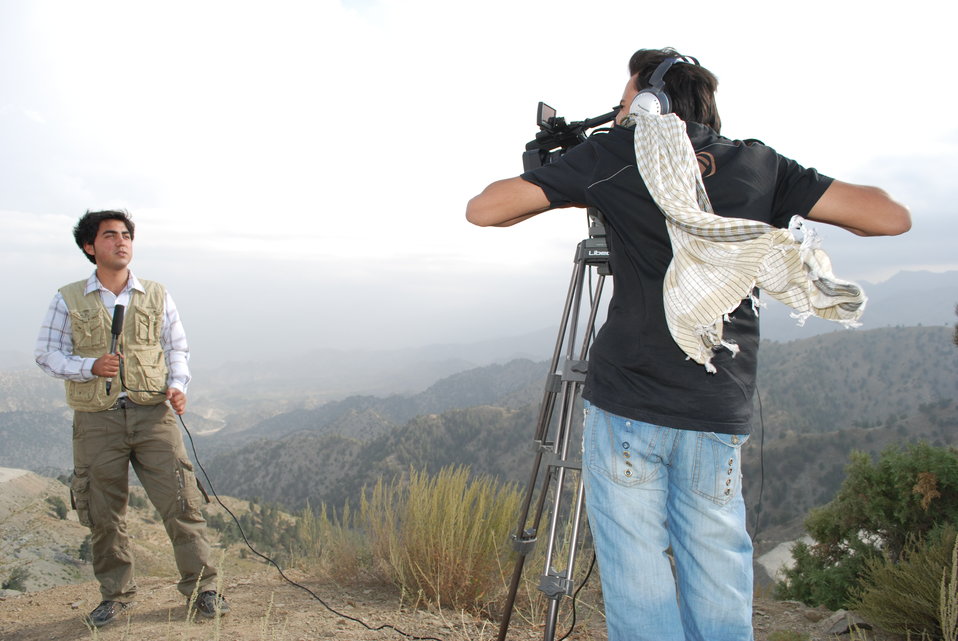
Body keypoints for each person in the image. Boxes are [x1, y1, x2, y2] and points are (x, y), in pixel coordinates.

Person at [466, 48, 910, 641]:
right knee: (719, 569)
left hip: (627, 401)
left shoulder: (615, 156)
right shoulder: (760, 165)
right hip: (716, 406)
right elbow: (891, 217)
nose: (619, 115)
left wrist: (581, 173)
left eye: (625, 104)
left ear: (649, 102)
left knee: (637, 574)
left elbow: (484, 209)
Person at [35, 210, 229, 628]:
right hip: (97, 419)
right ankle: (117, 597)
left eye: (126, 235)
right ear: (90, 247)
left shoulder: (156, 294)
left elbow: (177, 348)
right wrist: (89, 367)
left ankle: (204, 589)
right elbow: (46, 354)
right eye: (110, 236)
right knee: (104, 514)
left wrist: (179, 385)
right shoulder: (67, 298)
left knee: (182, 502)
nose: (121, 242)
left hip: (154, 414)